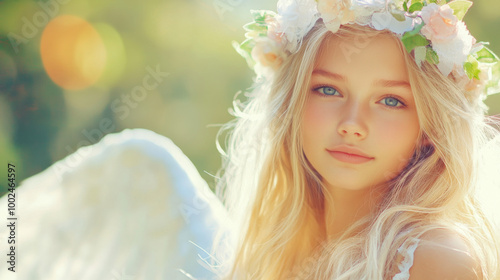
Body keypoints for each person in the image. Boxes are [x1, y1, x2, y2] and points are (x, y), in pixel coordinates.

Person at [211, 0, 500, 279]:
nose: (352, 125)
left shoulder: (434, 259)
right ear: (292, 102)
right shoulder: (278, 253)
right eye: (328, 90)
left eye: (390, 100)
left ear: (431, 129)